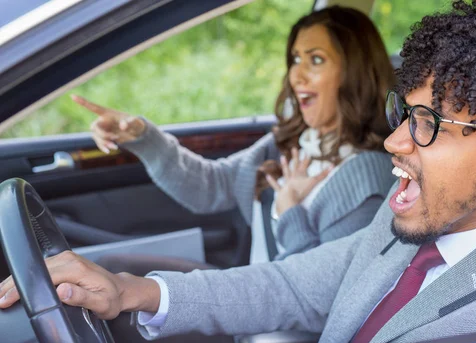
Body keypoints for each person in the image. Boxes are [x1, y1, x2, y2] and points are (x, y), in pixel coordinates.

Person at [2, 0, 476, 343]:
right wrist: (132, 290)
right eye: (404, 113)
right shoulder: (415, 216)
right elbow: (292, 287)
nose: (393, 141)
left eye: (427, 125)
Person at [70, 5, 396, 273]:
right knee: (115, 267)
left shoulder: (367, 176)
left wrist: (290, 212)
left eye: (316, 60)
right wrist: (143, 137)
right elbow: (209, 186)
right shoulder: (292, 142)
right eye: (295, 59)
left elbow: (328, 295)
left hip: (286, 340)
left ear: (354, 71)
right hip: (258, 307)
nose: (296, 75)